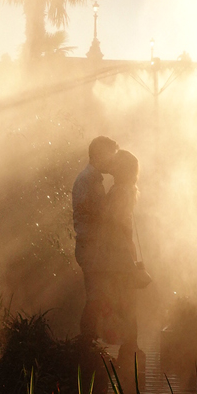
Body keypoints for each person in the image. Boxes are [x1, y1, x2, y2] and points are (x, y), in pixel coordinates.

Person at [103, 147, 149, 382]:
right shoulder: (129, 191)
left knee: (123, 302)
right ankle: (131, 350)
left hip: (117, 255)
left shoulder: (119, 192)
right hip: (124, 254)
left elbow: (115, 223)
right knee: (127, 302)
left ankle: (129, 351)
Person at [73, 135, 118, 343]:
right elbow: (93, 213)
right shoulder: (87, 180)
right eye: (111, 156)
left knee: (97, 296)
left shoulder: (92, 179)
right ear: (99, 155)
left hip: (92, 246)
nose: (113, 161)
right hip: (89, 247)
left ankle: (90, 342)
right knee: (94, 296)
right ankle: (86, 343)